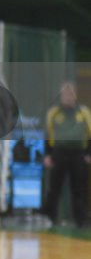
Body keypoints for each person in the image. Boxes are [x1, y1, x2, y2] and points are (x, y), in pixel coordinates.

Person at [43, 81, 91, 228]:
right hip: (59, 154)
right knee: (54, 188)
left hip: (78, 154)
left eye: (70, 93)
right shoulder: (53, 113)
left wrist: (89, 153)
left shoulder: (84, 112)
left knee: (79, 189)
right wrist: (48, 155)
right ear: (61, 96)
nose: (68, 96)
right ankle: (50, 218)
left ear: (75, 95)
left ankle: (80, 221)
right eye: (65, 93)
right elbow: (48, 134)